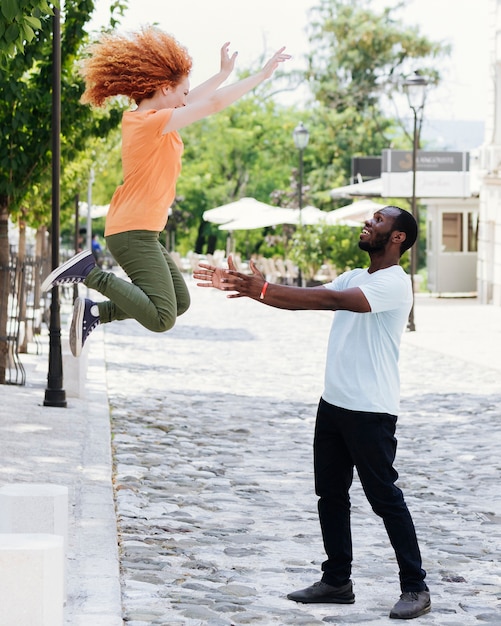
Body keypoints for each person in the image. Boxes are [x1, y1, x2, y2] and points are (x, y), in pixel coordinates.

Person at [193, 206, 430, 620]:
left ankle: (415, 586)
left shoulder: (395, 284)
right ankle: (337, 580)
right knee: (330, 496)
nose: (369, 223)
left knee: (384, 499)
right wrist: (252, 288)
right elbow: (303, 299)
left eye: (379, 220)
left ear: (398, 238)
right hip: (334, 404)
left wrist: (261, 289)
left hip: (371, 411)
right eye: (370, 217)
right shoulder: (357, 274)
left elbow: (328, 300)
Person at [42, 27, 291, 357]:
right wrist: (260, 76)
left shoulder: (152, 117)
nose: (186, 99)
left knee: (179, 302)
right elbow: (212, 103)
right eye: (182, 92)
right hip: (132, 231)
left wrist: (222, 74)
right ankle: (89, 273)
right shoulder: (149, 122)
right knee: (162, 319)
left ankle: (95, 312)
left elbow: (200, 97)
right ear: (164, 88)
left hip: (143, 231)